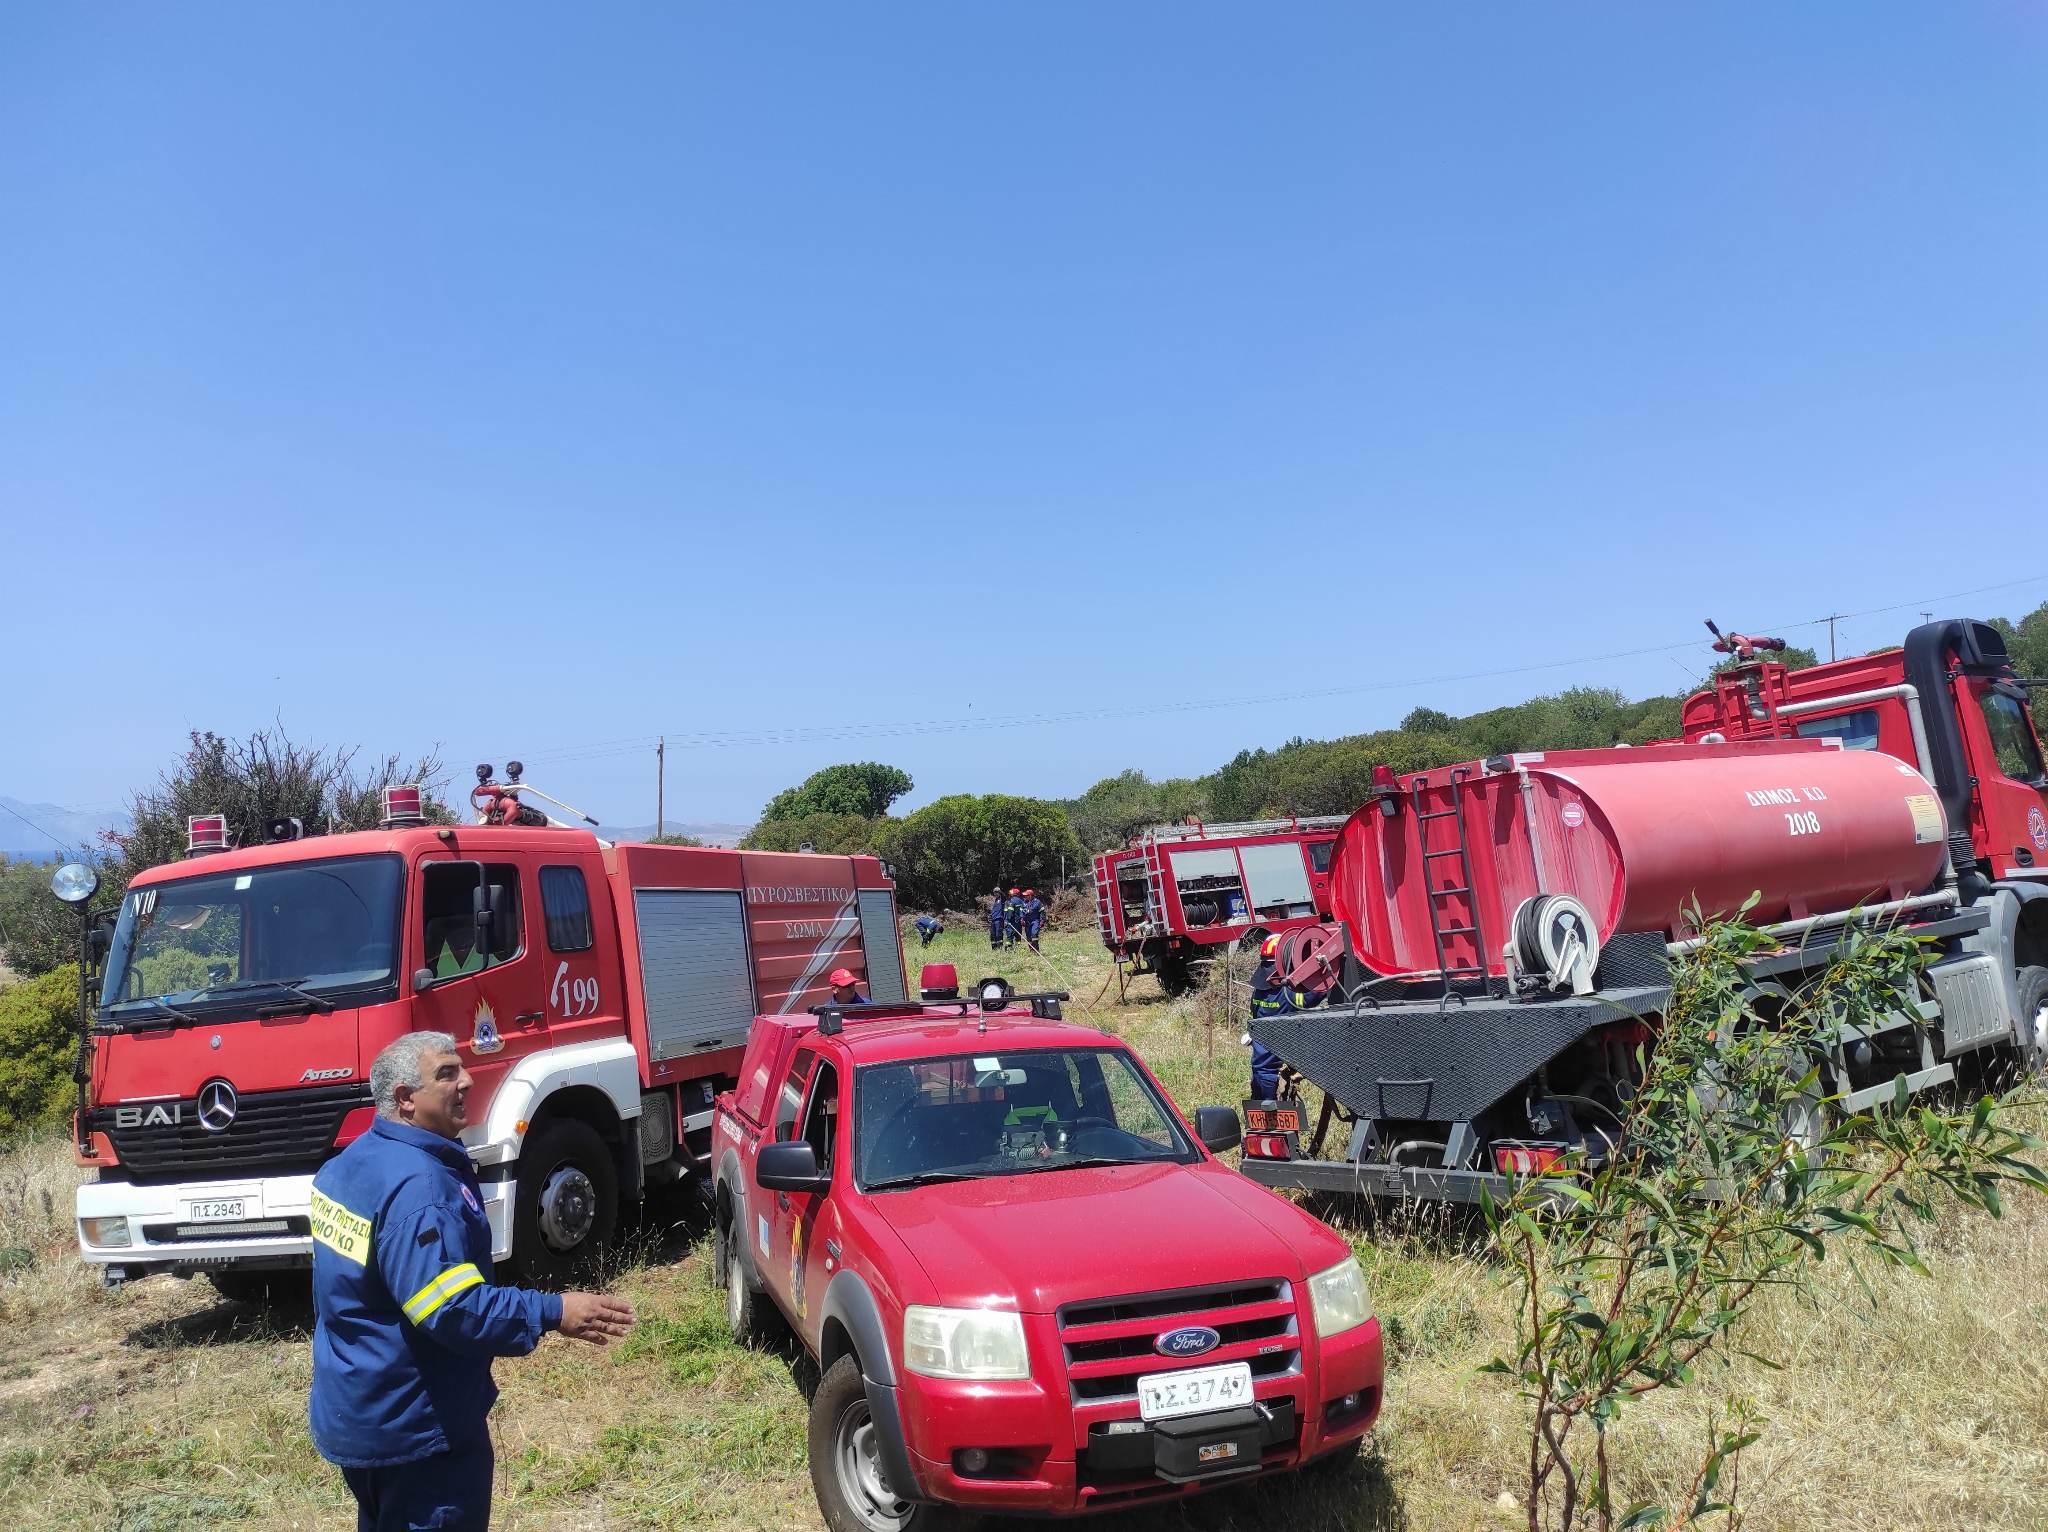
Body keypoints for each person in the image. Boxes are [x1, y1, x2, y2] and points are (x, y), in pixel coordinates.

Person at [310, 1032, 634, 1532]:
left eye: (460, 1068)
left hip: (358, 1413)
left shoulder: (346, 1167)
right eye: (446, 1074)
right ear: (405, 1099)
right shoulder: (420, 1190)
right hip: (417, 1428)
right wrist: (555, 1311)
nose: (466, 1080)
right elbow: (452, 1308)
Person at [1245, 935, 1302, 1101]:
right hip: (1274, 1075)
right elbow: (1313, 995)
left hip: (1258, 1071)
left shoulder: (1258, 991)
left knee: (1260, 1115)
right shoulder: (1289, 993)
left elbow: (1253, 1014)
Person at [987, 886, 1007, 952]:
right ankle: (994, 949)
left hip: (999, 920)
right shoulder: (995, 901)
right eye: (994, 892)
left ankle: (1000, 948)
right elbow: (995, 910)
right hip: (993, 920)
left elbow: (1004, 896)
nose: (995, 894)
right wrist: (990, 915)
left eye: (997, 892)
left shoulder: (1002, 899)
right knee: (992, 935)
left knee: (999, 934)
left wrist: (1000, 891)